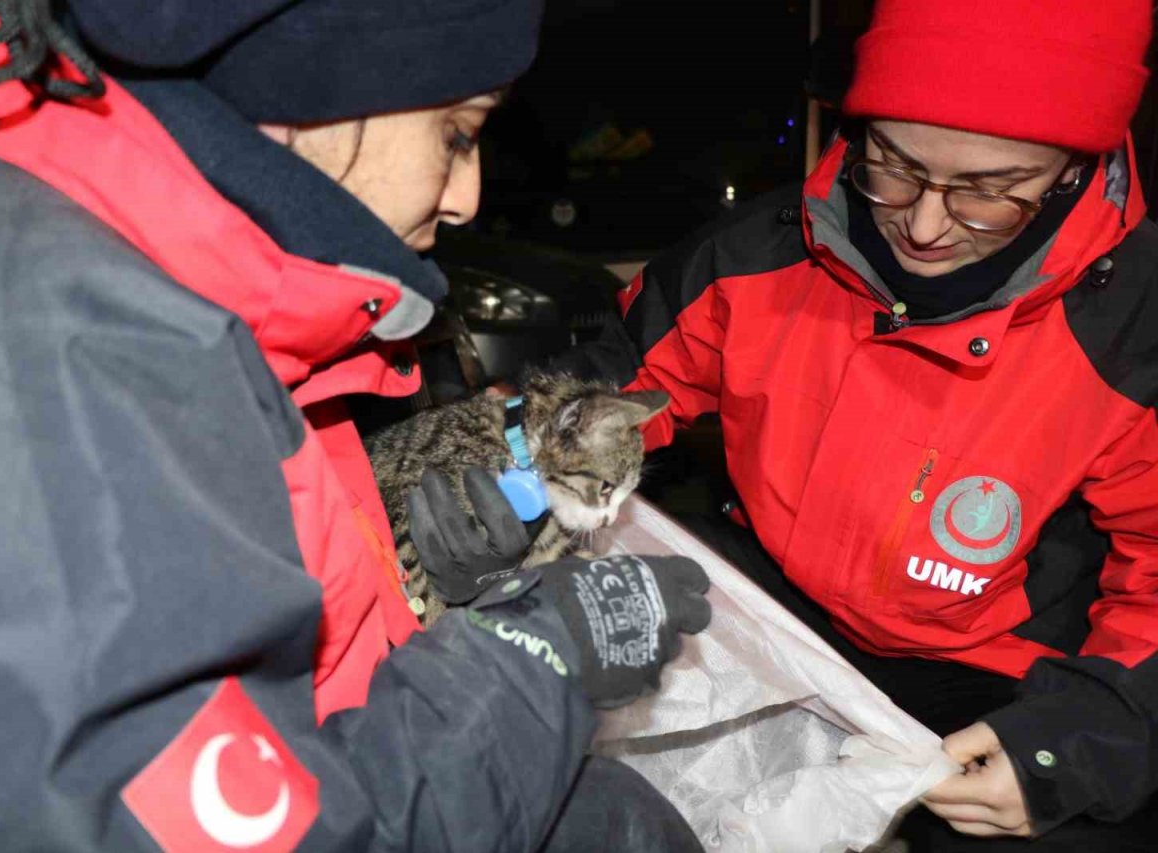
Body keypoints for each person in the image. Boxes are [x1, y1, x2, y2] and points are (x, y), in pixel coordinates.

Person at [0, 1, 713, 850]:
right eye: (458, 134)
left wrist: (443, 589)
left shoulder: (219, 310)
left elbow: (292, 656)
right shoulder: (49, 364)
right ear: (316, 81)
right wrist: (531, 660)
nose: (469, 198)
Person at [413, 0, 1158, 849]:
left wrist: (1075, 745)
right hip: (778, 614)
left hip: (998, 679)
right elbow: (608, 390)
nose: (922, 225)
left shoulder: (1137, 328)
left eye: (988, 192)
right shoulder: (755, 252)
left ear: (1072, 170)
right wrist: (500, 480)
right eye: (893, 164)